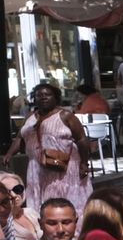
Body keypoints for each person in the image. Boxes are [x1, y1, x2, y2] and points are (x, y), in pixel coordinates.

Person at [4, 82, 93, 215]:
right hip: (37, 168)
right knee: (40, 201)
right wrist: (9, 154)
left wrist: (84, 163)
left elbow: (81, 139)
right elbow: (20, 138)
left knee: (64, 199)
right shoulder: (30, 117)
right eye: (39, 95)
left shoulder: (65, 116)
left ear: (55, 97)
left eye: (47, 94)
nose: (43, 97)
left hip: (65, 168)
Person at [0, 171, 40, 240]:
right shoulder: (4, 222)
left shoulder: (30, 211)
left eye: (17, 189)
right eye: (8, 192)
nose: (14, 195)